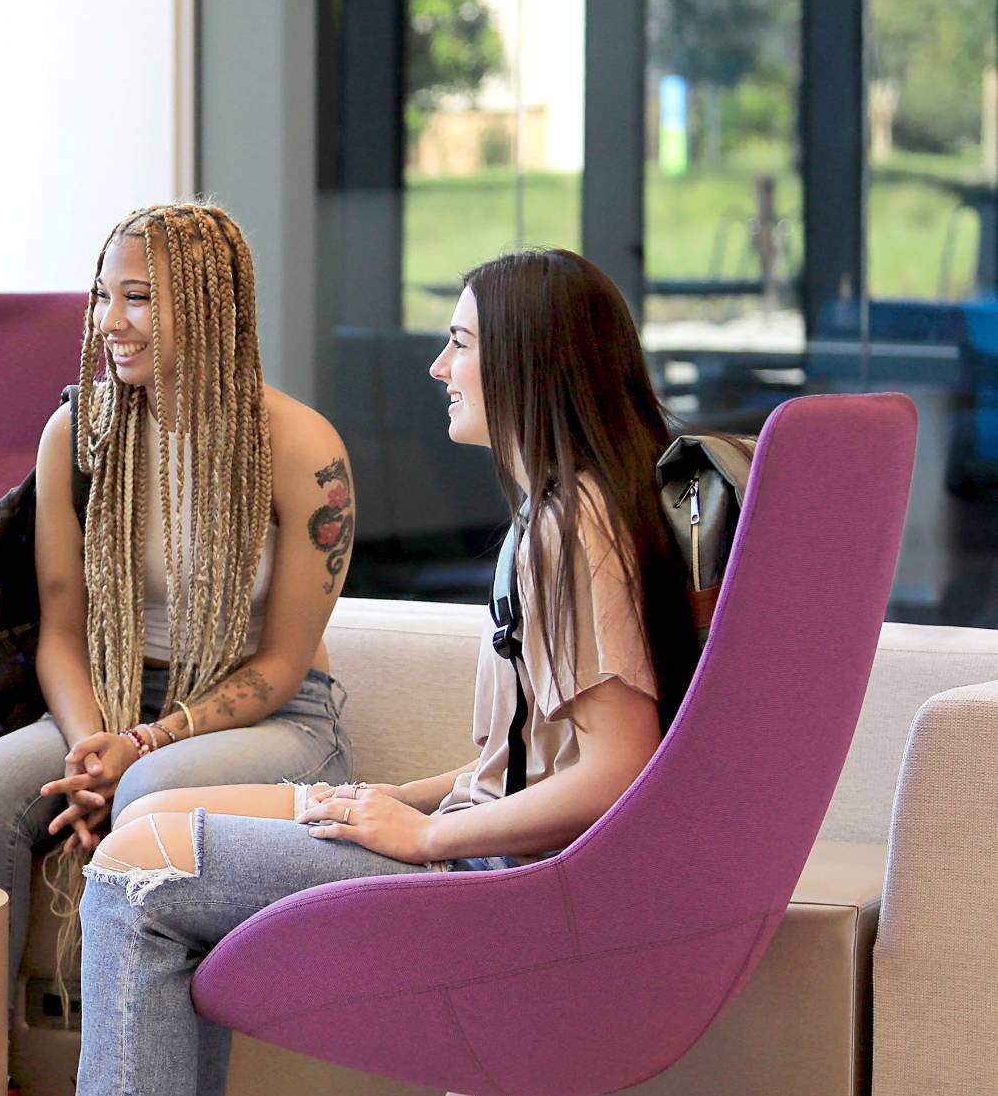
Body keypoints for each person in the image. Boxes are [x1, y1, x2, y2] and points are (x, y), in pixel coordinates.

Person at [74, 248, 702, 1096]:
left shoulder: (568, 530)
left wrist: (429, 835)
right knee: (149, 810)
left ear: (524, 360)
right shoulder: (580, 507)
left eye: (460, 343)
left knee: (135, 867)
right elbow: (544, 753)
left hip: (500, 880)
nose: (440, 366)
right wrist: (407, 796)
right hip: (490, 843)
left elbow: (620, 768)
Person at [0, 201, 360, 993]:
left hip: (276, 716)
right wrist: (92, 745)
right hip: (116, 697)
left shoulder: (302, 447)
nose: (108, 321)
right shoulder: (76, 431)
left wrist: (139, 748)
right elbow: (62, 631)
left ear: (208, 307)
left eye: (137, 297)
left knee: (147, 788)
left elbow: (280, 663)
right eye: (102, 295)